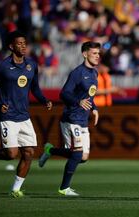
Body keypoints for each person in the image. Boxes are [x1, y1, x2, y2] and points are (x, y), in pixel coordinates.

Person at [0, 30, 52, 198]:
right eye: (19, 43)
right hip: (7, 116)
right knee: (11, 154)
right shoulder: (2, 66)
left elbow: (35, 88)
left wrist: (44, 100)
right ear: (11, 46)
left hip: (24, 116)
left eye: (25, 43)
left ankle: (15, 189)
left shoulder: (32, 65)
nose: (23, 46)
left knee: (29, 152)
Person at [38, 41, 100, 196]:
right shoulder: (77, 73)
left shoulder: (95, 73)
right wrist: (78, 102)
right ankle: (64, 188)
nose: (97, 56)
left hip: (83, 119)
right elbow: (64, 93)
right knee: (77, 153)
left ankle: (50, 150)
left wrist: (94, 108)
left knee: (83, 157)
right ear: (85, 54)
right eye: (94, 53)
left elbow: (89, 96)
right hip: (71, 118)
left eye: (98, 53)